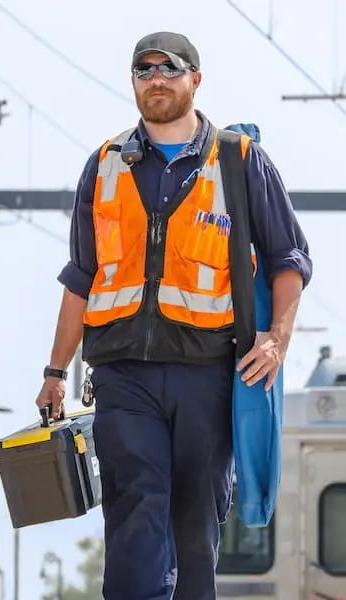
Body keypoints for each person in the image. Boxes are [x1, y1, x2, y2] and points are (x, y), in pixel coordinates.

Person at [33, 31, 312, 600]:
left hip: (208, 373)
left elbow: (289, 258)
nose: (155, 79)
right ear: (134, 82)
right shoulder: (105, 163)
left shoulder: (238, 160)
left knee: (194, 520)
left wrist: (277, 339)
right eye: (144, 70)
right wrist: (55, 372)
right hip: (122, 372)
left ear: (195, 80)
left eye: (169, 69)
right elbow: (80, 277)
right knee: (136, 506)